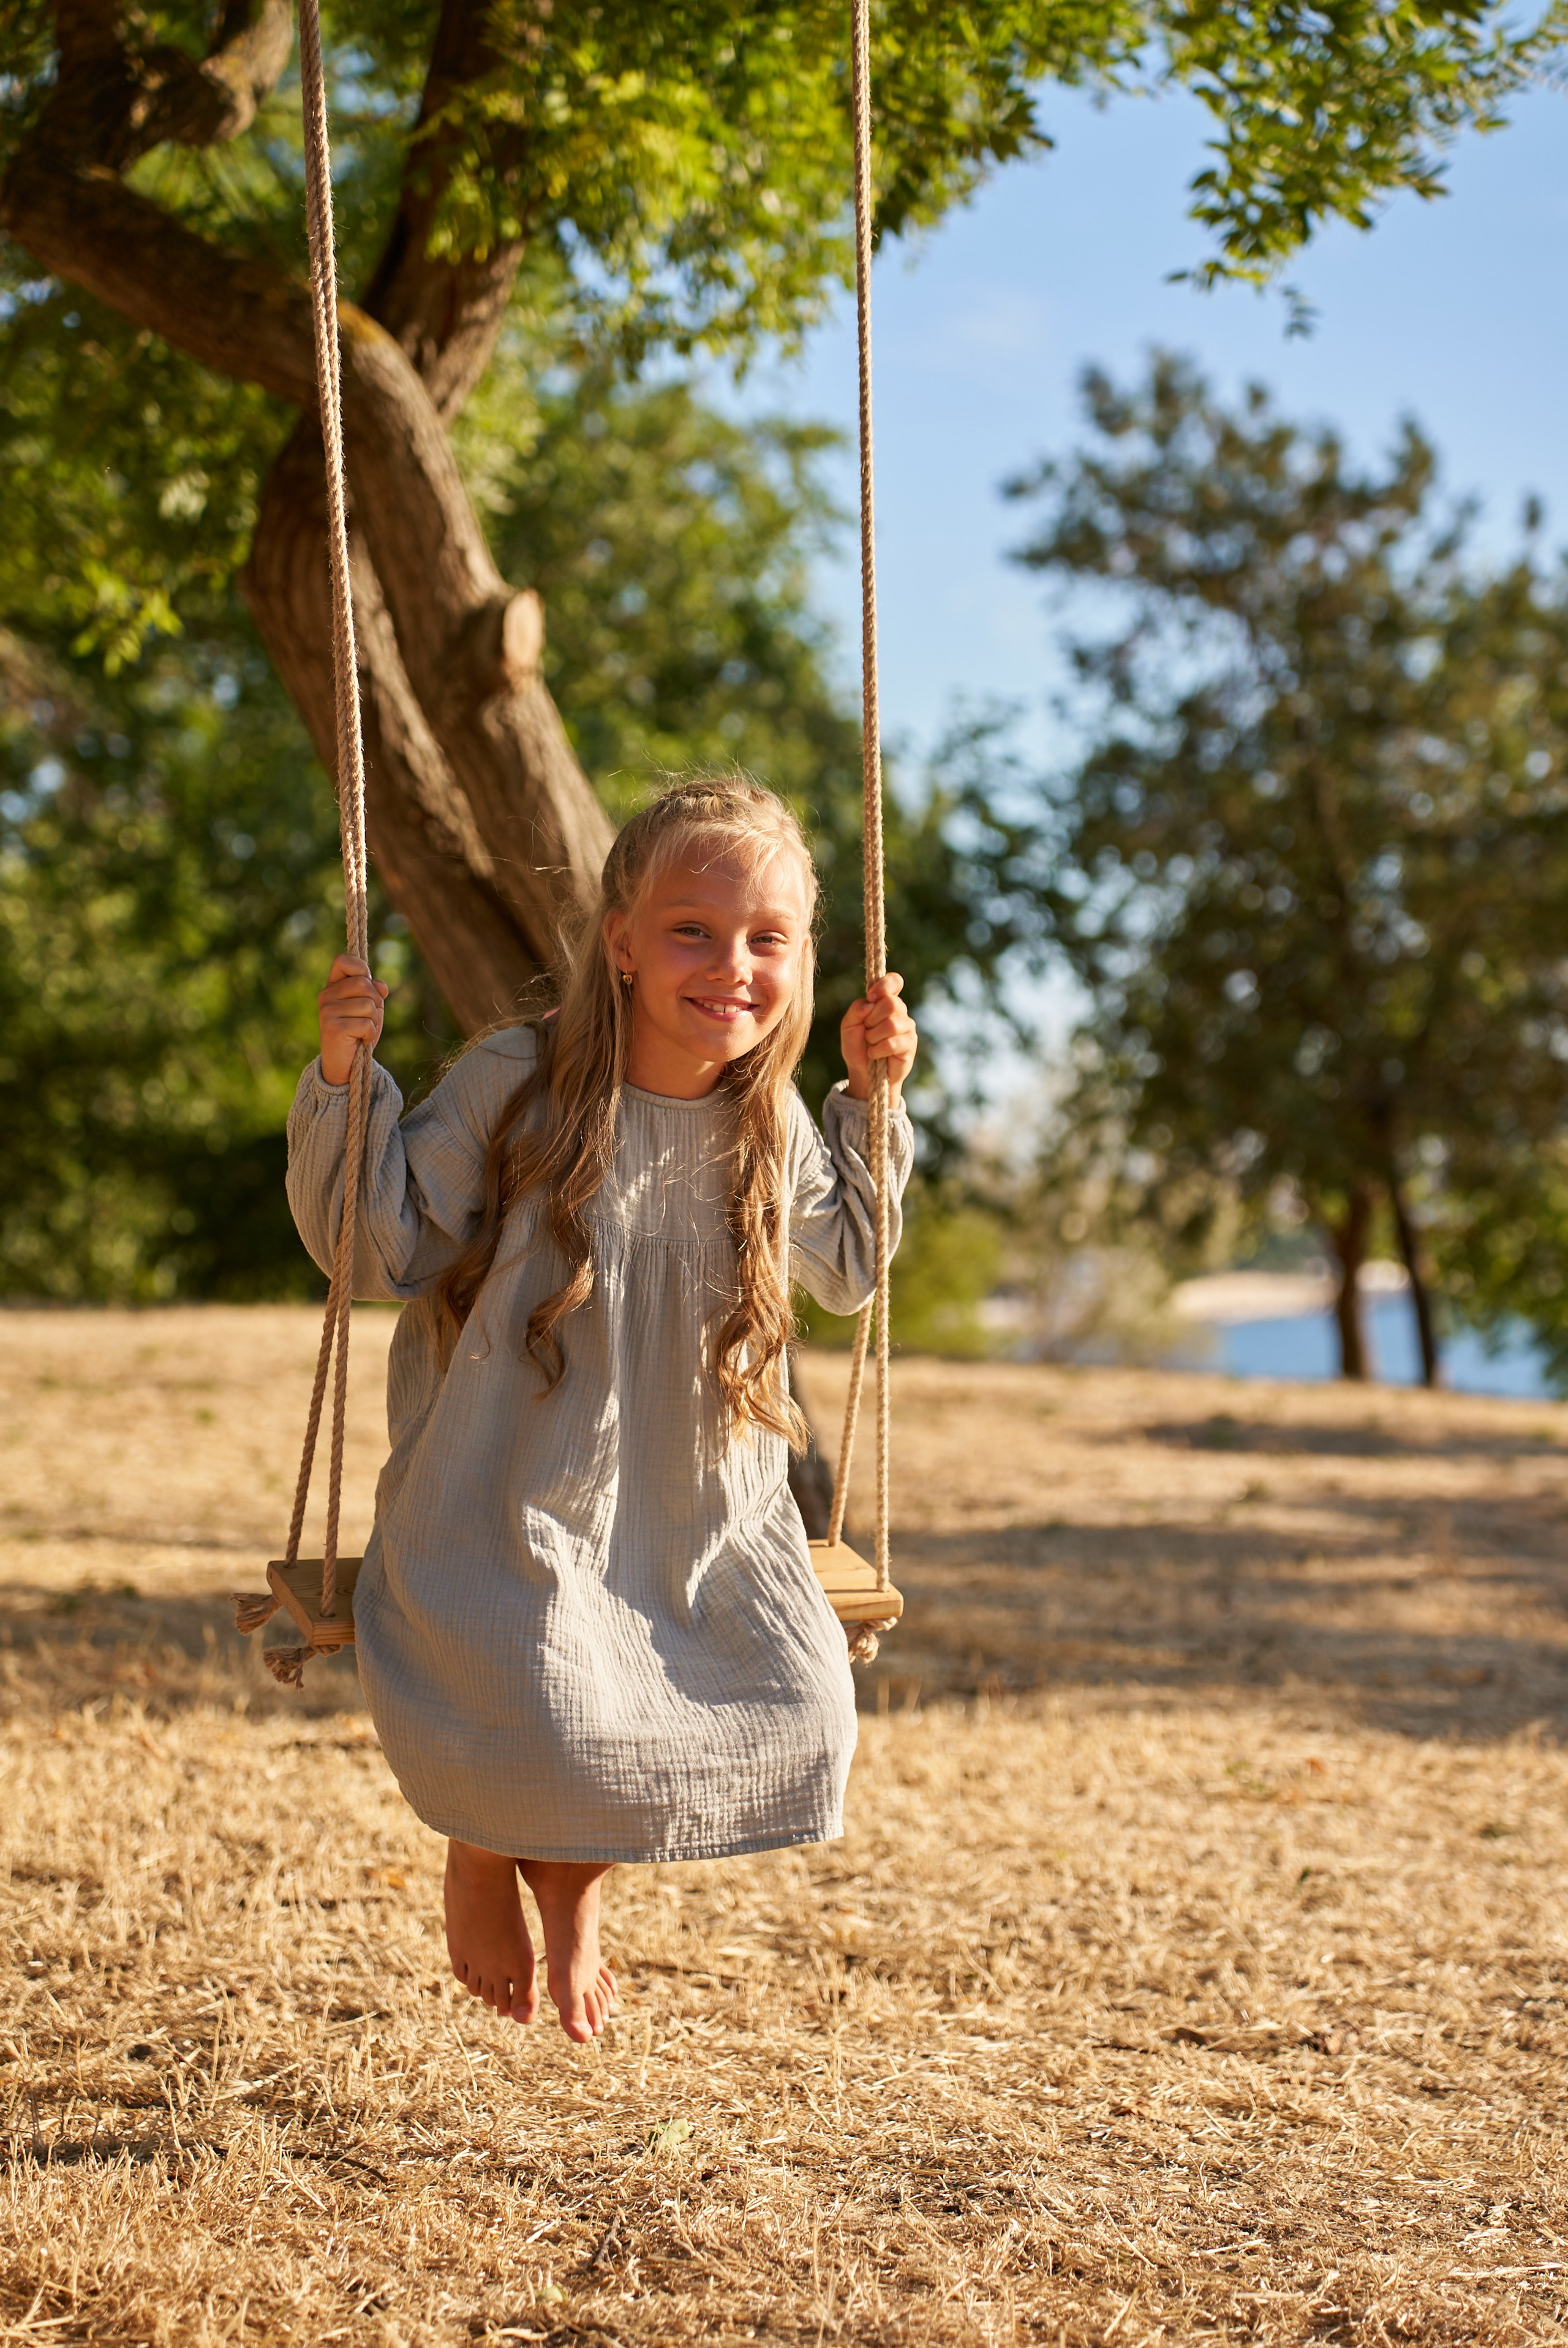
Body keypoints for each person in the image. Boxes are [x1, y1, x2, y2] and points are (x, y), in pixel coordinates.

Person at [287, 778, 918, 2042]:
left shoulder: (766, 1116)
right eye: (691, 929)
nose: (729, 965)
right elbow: (378, 1246)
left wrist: (874, 1104)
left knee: (805, 1710)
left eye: (765, 939)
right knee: (552, 1692)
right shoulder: (519, 1081)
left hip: (694, 1503)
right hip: (508, 1483)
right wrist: (347, 1081)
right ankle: (486, 1852)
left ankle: (571, 1894)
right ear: (620, 941)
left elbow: (849, 1271)